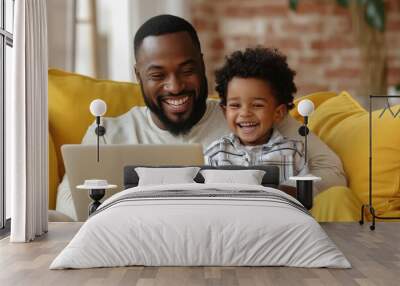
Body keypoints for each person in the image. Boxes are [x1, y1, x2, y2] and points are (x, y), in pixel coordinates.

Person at [55, 14, 346, 220]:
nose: (175, 86)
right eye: (158, 75)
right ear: (138, 76)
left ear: (203, 64)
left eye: (187, 70)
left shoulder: (246, 118)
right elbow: (68, 201)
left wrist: (280, 192)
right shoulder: (107, 133)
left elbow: (331, 172)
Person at [205, 47, 308, 187]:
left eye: (257, 105)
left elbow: (306, 198)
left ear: (278, 113)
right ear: (225, 112)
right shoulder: (216, 152)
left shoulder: (294, 152)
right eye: (235, 105)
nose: (245, 113)